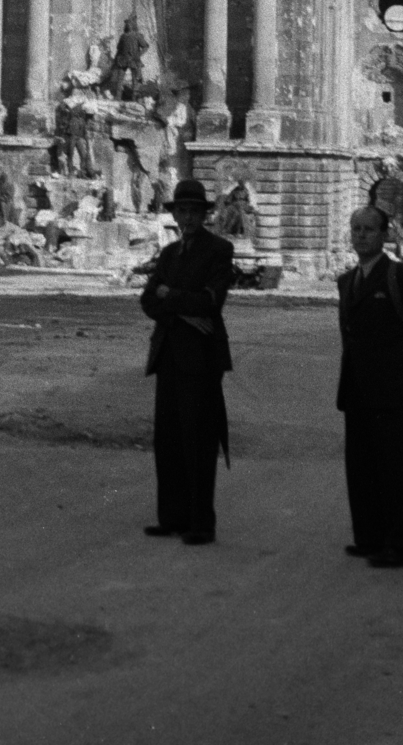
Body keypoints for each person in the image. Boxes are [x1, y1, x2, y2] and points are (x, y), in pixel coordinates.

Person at [336, 205, 403, 569]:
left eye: (368, 229)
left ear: (384, 234)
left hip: (395, 390)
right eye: (356, 229)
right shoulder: (347, 281)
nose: (361, 235)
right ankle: (369, 538)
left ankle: (400, 544)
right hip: (357, 389)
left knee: (398, 469)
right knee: (361, 465)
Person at [140, 178, 234, 545]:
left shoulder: (219, 250)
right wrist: (180, 306)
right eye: (183, 210)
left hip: (201, 359)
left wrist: (171, 296)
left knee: (199, 440)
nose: (189, 217)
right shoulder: (168, 254)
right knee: (168, 440)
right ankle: (172, 517)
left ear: (204, 214)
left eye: (195, 211)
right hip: (168, 356)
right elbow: (148, 301)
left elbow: (211, 304)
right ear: (175, 214)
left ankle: (201, 523)